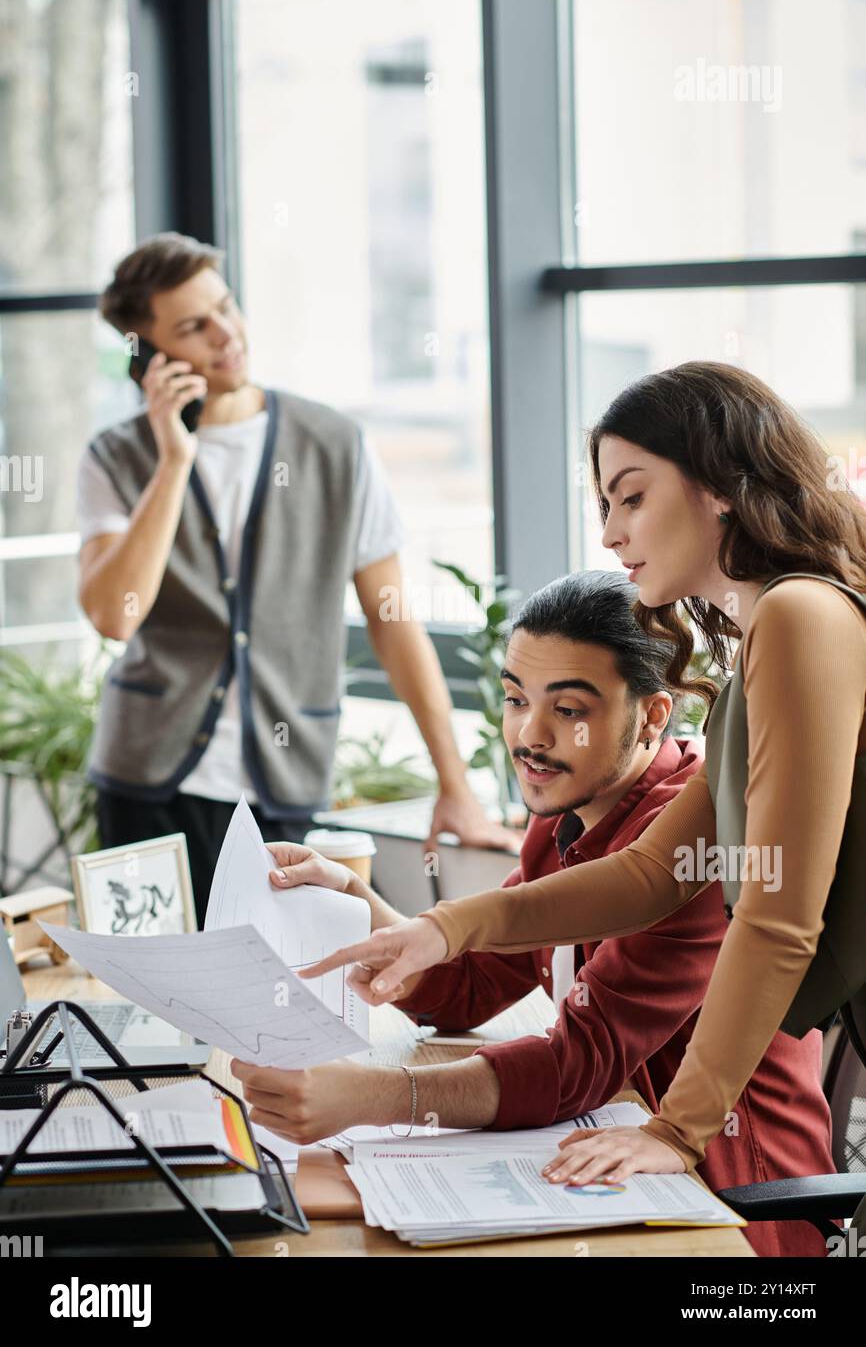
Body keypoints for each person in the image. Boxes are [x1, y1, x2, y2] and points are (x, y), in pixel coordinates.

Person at [300, 361, 866, 1211]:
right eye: (604, 504)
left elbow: (780, 918)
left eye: (631, 497)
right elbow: (651, 875)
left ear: (720, 487)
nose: (608, 533)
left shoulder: (798, 615)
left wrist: (677, 1132)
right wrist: (440, 929)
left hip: (751, 1178)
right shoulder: (765, 640)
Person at [232, 570, 837, 1256]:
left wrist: (372, 1097)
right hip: (617, 1172)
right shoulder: (565, 815)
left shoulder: (696, 845)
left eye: (569, 709)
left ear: (652, 717)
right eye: (516, 699)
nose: (530, 735)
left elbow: (578, 1062)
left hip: (734, 1210)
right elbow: (471, 988)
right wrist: (360, 904)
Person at [77, 232, 517, 922]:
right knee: (148, 979)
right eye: (193, 327)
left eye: (226, 307)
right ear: (150, 356)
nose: (227, 334)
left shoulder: (334, 445)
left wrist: (454, 784)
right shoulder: (115, 456)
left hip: (283, 780)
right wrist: (173, 461)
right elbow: (114, 615)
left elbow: (393, 622)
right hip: (145, 783)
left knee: (284, 973)